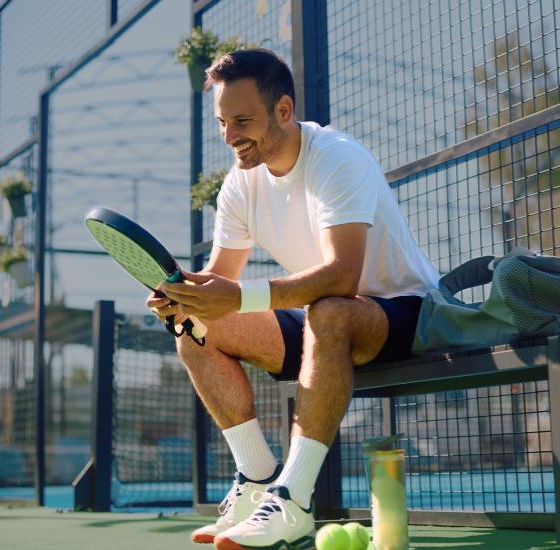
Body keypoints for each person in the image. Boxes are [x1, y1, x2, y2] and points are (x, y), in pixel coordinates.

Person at [149, 48, 438, 550]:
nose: (230, 135)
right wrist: (182, 297)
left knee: (330, 309)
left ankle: (294, 501)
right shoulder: (239, 186)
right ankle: (256, 477)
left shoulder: (337, 158)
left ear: (283, 110)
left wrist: (236, 296)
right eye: (222, 122)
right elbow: (221, 280)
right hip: (323, 320)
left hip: (405, 314)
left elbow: (343, 276)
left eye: (242, 120)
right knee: (195, 327)